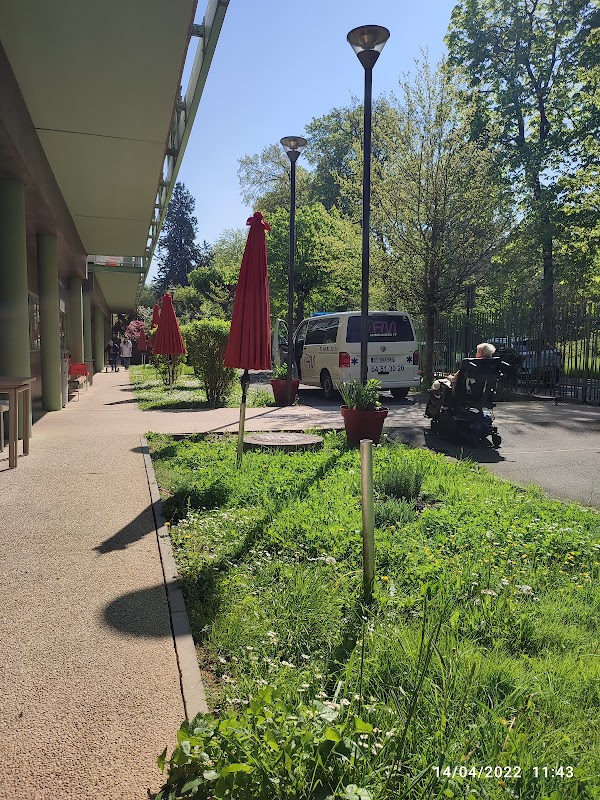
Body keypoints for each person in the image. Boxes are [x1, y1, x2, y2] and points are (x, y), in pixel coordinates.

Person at [426, 342, 496, 418]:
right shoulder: (492, 366)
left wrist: (449, 377)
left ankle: (432, 413)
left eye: (477, 351)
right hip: (483, 396)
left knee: (437, 383)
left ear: (480, 352)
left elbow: (454, 379)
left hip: (462, 395)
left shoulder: (471, 364)